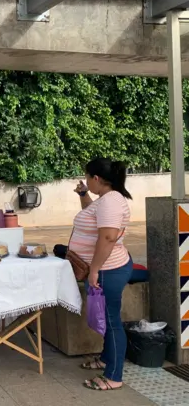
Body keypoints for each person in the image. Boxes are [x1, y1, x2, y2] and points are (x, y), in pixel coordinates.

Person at [70, 159, 133, 392]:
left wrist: (94, 269)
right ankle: (106, 359)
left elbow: (107, 238)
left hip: (109, 269)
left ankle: (114, 376)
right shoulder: (105, 200)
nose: (86, 181)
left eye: (87, 178)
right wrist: (84, 194)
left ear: (97, 178)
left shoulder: (111, 202)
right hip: (106, 268)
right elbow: (91, 213)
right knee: (108, 319)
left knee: (112, 322)